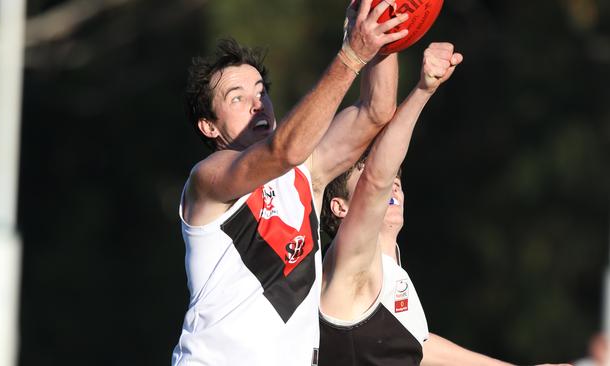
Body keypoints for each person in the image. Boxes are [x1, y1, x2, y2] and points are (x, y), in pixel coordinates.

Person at [173, 1, 411, 365]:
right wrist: (350, 55)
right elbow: (284, 151)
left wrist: (380, 31)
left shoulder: (305, 172)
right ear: (210, 127)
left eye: (260, 91)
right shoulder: (207, 180)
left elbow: (376, 109)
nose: (258, 105)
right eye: (237, 98)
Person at [318, 42, 571, 366]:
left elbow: (422, 346)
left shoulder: (388, 271)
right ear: (340, 207)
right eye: (362, 171)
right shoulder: (349, 262)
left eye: (397, 175)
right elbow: (378, 178)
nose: (393, 180)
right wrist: (423, 89)